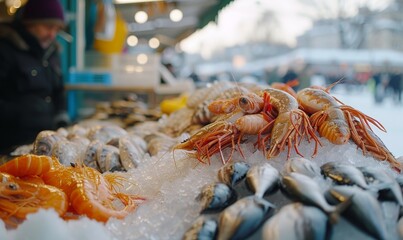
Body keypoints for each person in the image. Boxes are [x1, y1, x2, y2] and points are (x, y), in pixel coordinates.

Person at [0, 0, 70, 153]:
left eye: (57, 29)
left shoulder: (52, 52)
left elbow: (59, 89)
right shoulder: (5, 49)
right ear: (30, 23)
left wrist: (61, 117)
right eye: (48, 27)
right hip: (10, 145)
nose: (52, 34)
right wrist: (22, 113)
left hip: (44, 143)